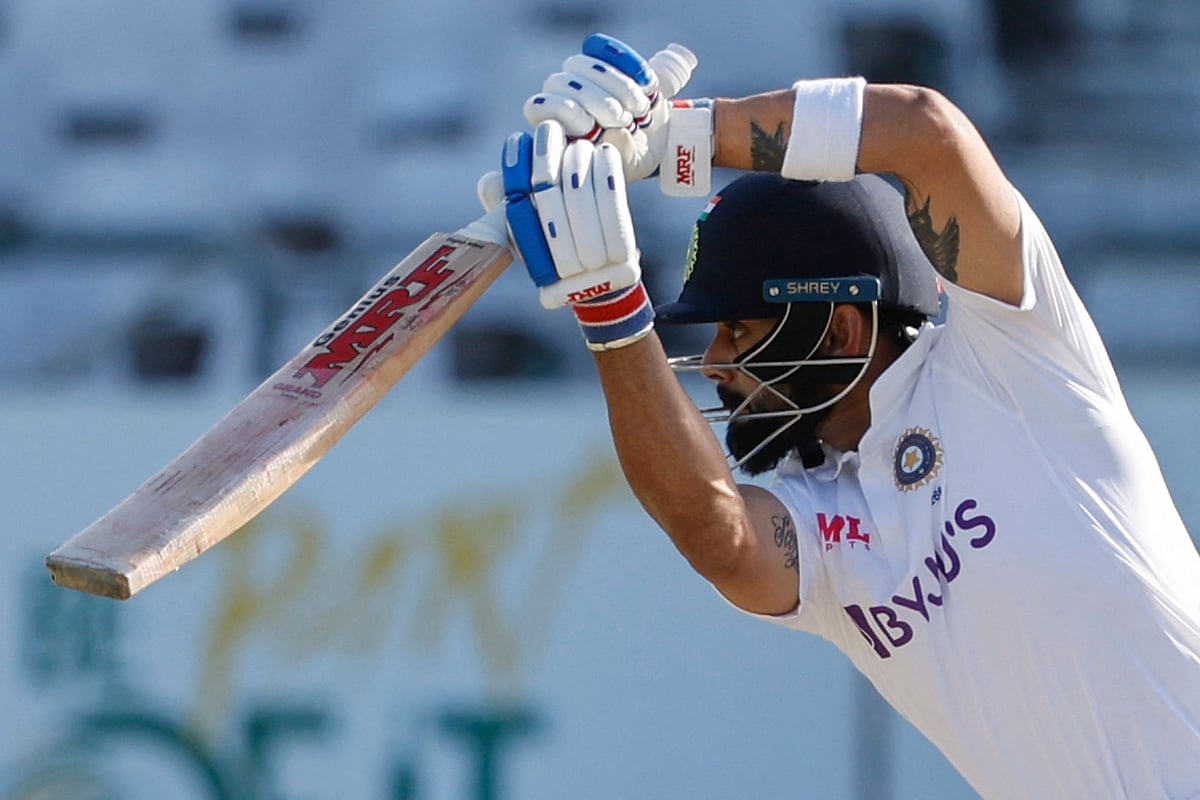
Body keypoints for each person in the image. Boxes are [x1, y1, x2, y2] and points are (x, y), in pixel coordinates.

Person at [474, 34, 1200, 797]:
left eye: (740, 330)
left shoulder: (1015, 358)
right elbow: (716, 533)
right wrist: (610, 309)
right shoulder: (825, 519)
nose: (718, 363)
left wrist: (680, 137)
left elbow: (927, 132)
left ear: (842, 328)